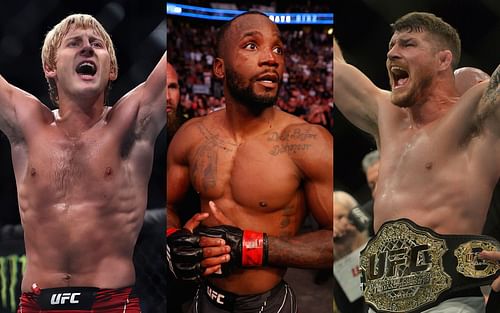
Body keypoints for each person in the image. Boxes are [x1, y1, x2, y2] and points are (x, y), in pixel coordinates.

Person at [166, 11, 333, 313]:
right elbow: (167, 206)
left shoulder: (310, 143)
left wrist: (254, 248)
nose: (271, 58)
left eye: (278, 49)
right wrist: (173, 240)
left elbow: (339, 240)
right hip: (203, 299)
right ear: (220, 67)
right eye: (252, 46)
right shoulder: (191, 136)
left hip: (269, 305)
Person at [334, 12, 499, 313]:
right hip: (380, 303)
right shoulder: (386, 115)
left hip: (450, 302)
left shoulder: (478, 116)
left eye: (408, 44)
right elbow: (334, 68)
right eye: (391, 45)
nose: (393, 52)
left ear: (443, 60)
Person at [0, 14, 165, 312]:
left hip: (110, 303)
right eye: (74, 43)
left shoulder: (131, 124)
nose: (87, 48)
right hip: (36, 304)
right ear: (50, 67)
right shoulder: (27, 124)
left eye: (97, 44)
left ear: (111, 69)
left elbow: (169, 68)